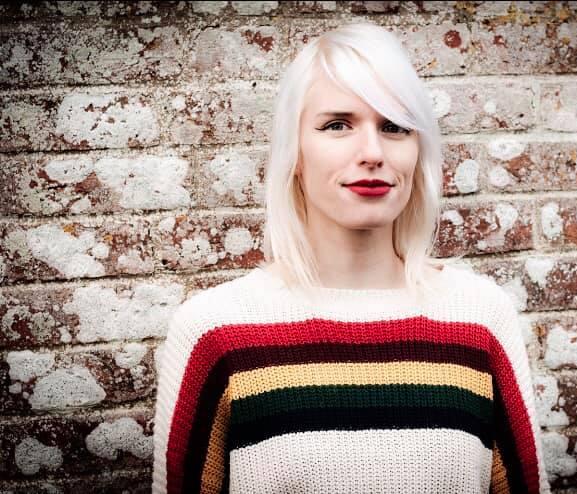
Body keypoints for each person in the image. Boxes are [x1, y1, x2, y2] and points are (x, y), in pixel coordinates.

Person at [152, 22, 550, 494]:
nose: (372, 152)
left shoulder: (479, 318)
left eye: (394, 126)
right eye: (337, 125)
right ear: (295, 152)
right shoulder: (215, 331)